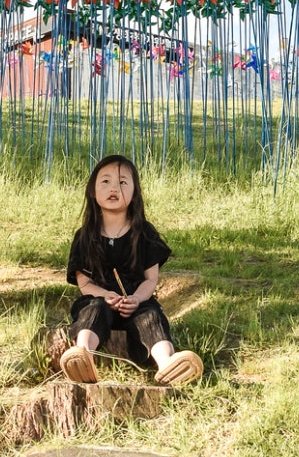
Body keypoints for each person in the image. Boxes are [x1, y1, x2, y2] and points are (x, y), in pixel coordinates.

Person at [60, 154, 203, 387]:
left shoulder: (144, 233)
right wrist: (106, 296)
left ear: (135, 192)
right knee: (93, 310)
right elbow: (84, 283)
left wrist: (136, 298)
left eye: (123, 182)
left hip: (137, 301)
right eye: (105, 181)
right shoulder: (85, 236)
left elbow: (150, 279)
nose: (114, 188)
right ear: (92, 191)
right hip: (99, 300)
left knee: (151, 316)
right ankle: (82, 355)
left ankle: (167, 363)